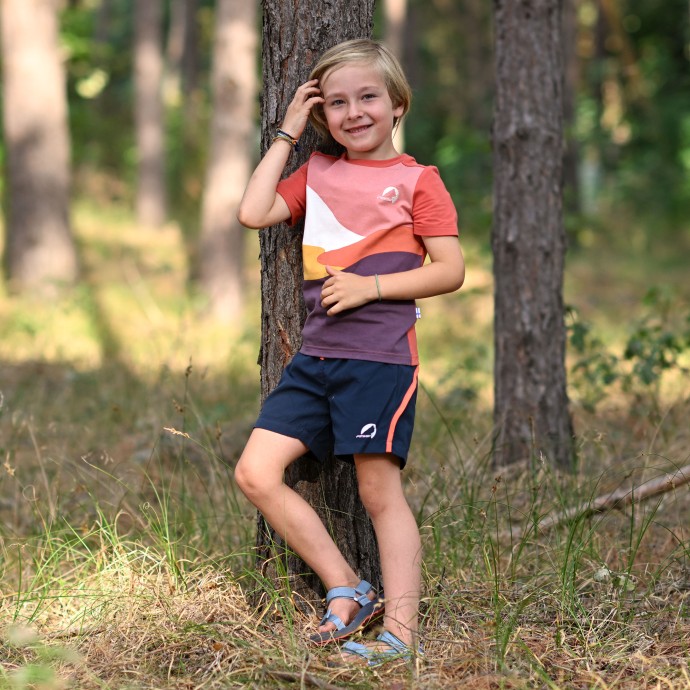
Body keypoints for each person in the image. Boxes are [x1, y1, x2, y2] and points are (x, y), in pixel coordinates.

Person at [235, 38, 465, 666]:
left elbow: (451, 270)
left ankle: (402, 634)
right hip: (315, 361)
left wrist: (373, 286)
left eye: (368, 97)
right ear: (322, 115)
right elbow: (253, 211)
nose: (353, 112)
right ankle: (348, 587)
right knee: (255, 473)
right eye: (336, 102)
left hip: (381, 359)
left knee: (377, 494)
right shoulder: (318, 174)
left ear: (397, 105)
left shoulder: (419, 181)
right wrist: (286, 132)